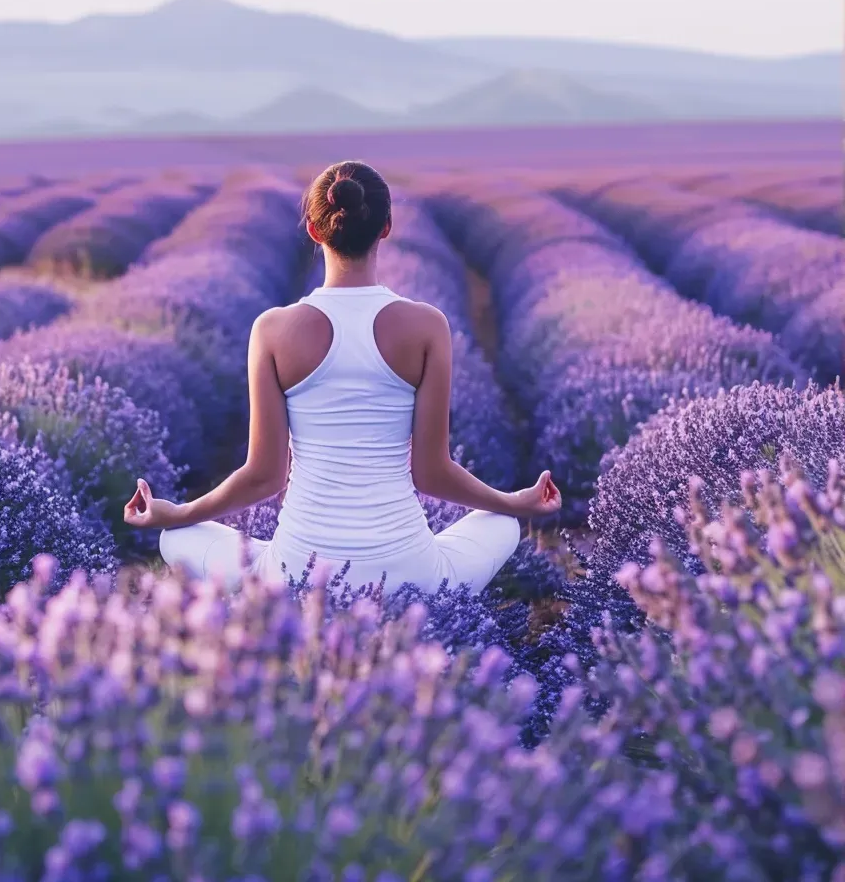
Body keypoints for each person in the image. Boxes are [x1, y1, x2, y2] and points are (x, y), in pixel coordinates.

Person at [124, 160, 561, 594]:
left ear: (313, 231)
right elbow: (432, 474)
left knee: (176, 537)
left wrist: (178, 513)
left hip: (297, 577)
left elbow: (264, 476)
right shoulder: (428, 326)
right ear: (386, 227)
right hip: (411, 576)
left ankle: (277, 619)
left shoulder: (273, 329)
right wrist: (513, 502)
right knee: (501, 523)